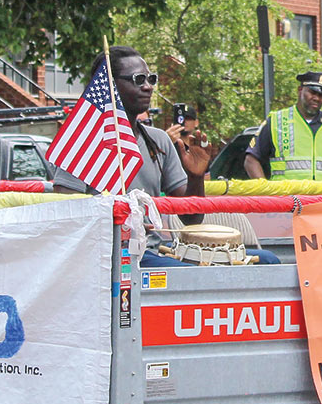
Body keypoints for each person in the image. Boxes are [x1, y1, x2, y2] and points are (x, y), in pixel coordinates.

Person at [54, 46, 210, 266]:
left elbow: (192, 218)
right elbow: (67, 218)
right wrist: (120, 223)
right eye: (138, 79)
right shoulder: (82, 144)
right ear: (109, 86)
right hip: (104, 260)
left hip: (149, 254)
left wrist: (196, 177)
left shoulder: (160, 140)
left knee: (267, 259)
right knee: (197, 278)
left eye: (150, 79)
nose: (148, 87)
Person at [244, 72, 322, 183]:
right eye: (312, 92)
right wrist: (266, 191)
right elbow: (251, 160)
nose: (316, 98)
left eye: (321, 95)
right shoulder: (277, 121)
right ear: (300, 90)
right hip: (288, 201)